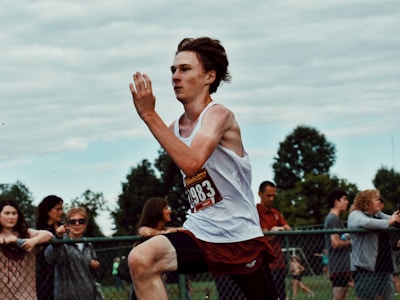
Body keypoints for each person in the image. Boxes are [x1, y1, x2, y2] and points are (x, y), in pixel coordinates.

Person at [128, 37, 277, 300]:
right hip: (201, 232)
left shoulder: (219, 115)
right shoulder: (174, 129)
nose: (175, 76)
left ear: (209, 76)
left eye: (185, 69)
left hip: (238, 237)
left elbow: (192, 162)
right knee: (141, 259)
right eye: (173, 70)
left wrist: (149, 115)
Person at [348, 189, 400, 300]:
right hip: (366, 267)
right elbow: (366, 223)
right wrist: (390, 221)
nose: (379, 202)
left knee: (384, 297)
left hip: (384, 265)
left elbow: (394, 221)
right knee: (366, 297)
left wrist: (397, 218)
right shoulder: (356, 214)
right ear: (366, 201)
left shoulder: (378, 215)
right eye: (376, 199)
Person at [0, 199, 53, 300]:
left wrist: (33, 241)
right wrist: (6, 240)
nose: (11, 217)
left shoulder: (26, 233)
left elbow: (49, 234)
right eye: (7, 213)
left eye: (14, 213)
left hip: (26, 295)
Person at [45, 207, 101, 300]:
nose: (77, 224)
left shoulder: (88, 244)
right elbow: (50, 257)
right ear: (67, 225)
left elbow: (93, 270)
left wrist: (95, 265)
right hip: (67, 296)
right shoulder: (61, 243)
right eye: (73, 221)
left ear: (85, 224)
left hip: (88, 296)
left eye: (81, 221)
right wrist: (58, 238)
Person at [256, 180, 291, 300]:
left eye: (273, 196)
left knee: (280, 295)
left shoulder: (275, 212)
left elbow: (288, 228)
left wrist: (277, 230)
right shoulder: (255, 212)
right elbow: (264, 235)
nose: (271, 199)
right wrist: (273, 231)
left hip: (278, 262)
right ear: (260, 194)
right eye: (268, 195)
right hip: (263, 263)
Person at [324, 189, 352, 300]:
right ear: (336, 202)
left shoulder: (336, 219)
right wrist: (351, 242)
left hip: (342, 265)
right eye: (344, 199)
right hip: (338, 265)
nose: (347, 202)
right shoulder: (332, 219)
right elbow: (335, 243)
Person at [36, 195, 64, 300]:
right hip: (47, 277)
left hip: (65, 274)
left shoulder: (65, 228)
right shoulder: (41, 231)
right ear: (48, 211)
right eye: (57, 209)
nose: (61, 212)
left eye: (62, 209)